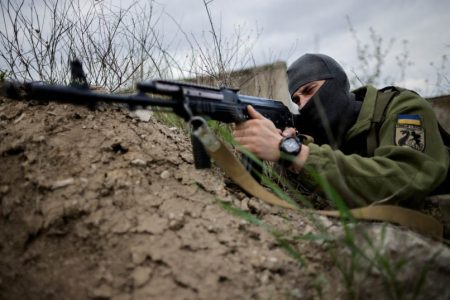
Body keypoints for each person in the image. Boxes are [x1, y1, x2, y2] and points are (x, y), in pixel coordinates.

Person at [233, 53, 449, 207]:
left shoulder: (402, 108)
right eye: (297, 100)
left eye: (310, 90)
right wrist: (287, 158)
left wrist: (293, 152)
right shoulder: (320, 136)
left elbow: (407, 178)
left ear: (337, 83)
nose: (304, 104)